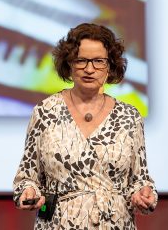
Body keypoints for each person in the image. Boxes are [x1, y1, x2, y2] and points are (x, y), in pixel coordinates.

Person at [13, 23, 158, 229]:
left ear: (110, 66)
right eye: (81, 60)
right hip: (57, 224)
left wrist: (144, 195)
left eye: (98, 61)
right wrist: (29, 192)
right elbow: (27, 178)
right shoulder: (45, 112)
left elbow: (139, 180)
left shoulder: (129, 117)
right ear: (69, 64)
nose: (89, 69)